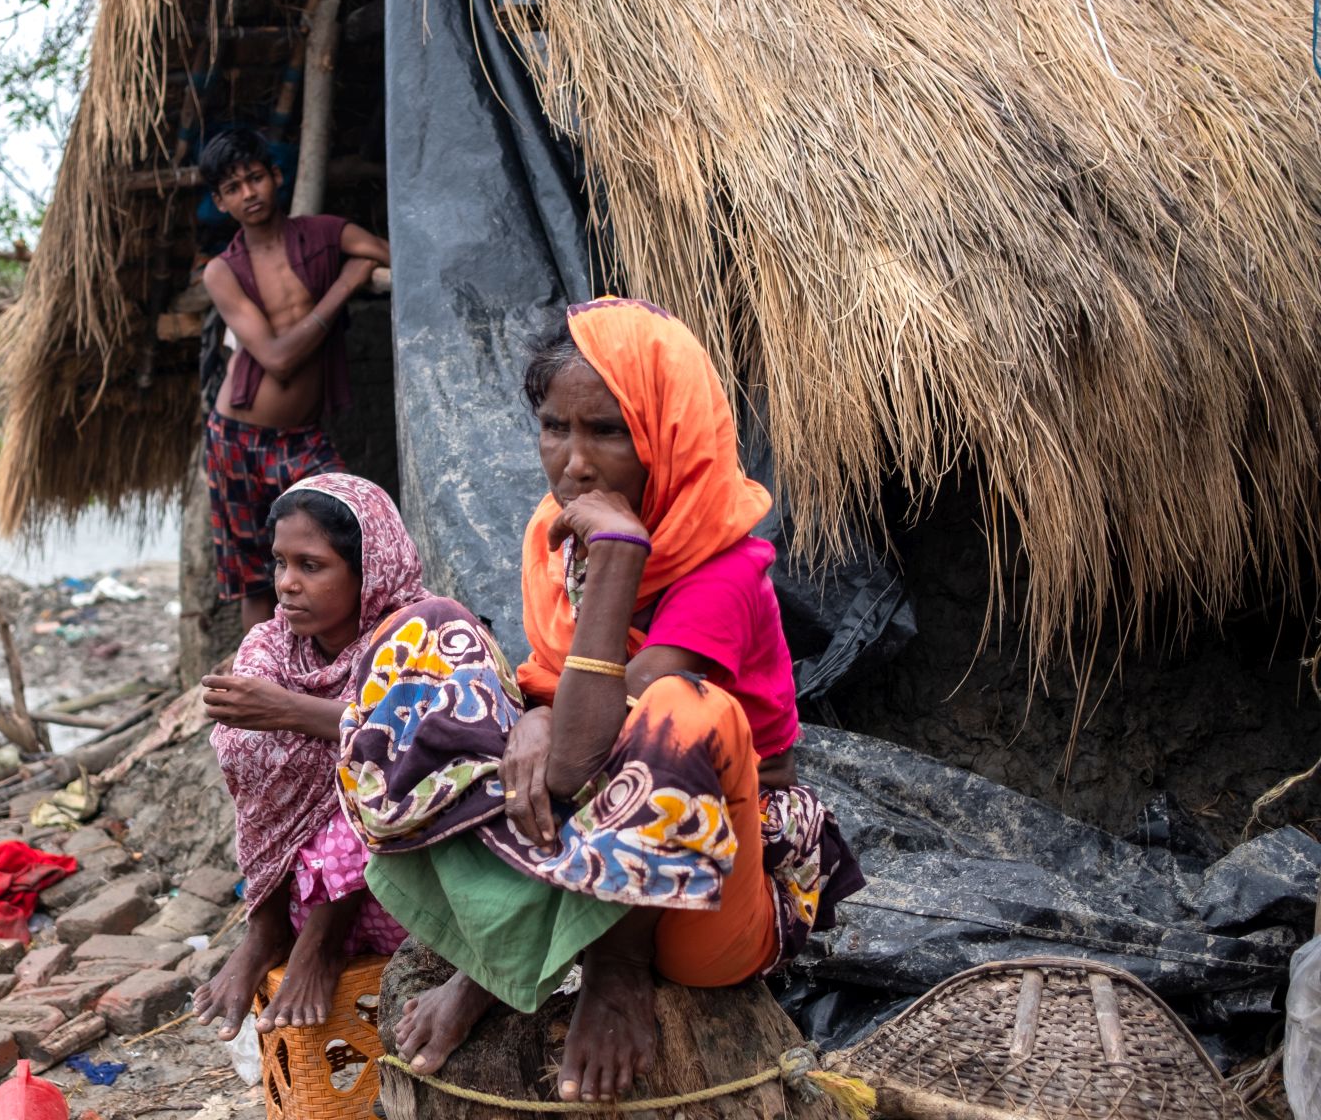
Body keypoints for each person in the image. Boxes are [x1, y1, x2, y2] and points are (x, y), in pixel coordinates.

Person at [337, 298, 864, 1104]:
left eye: (608, 431)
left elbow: (603, 747)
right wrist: (536, 714)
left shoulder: (722, 572)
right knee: (425, 635)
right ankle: (497, 959)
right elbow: (560, 698)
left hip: (710, 887)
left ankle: (612, 968)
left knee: (686, 714)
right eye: (556, 427)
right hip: (580, 831)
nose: (574, 463)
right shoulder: (556, 533)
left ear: (670, 433)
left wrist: (619, 557)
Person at [193, 474, 418, 1040]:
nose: (287, 585)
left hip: (396, 889)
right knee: (248, 743)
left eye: (311, 566)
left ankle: (319, 946)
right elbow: (244, 746)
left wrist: (292, 712)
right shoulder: (271, 643)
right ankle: (267, 930)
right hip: (293, 886)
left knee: (380, 773)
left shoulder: (413, 637)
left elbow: (407, 745)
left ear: (369, 572)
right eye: (279, 563)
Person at [198, 127, 393, 635]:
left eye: (256, 178)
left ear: (277, 176)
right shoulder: (222, 271)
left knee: (350, 526)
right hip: (234, 438)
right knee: (253, 577)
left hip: (300, 438)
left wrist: (358, 265)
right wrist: (346, 284)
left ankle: (353, 664)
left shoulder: (323, 233)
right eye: (234, 188)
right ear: (220, 202)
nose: (250, 193)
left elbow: (388, 252)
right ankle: (257, 697)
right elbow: (277, 359)